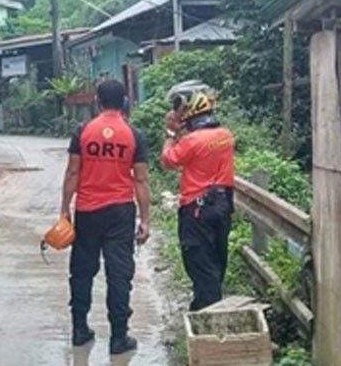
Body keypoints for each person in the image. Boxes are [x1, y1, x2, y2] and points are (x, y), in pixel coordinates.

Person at [59, 79, 151, 355]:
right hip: (120, 212)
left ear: (97, 101)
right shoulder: (134, 135)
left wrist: (65, 209)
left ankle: (79, 330)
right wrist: (145, 219)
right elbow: (142, 180)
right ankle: (119, 338)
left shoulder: (83, 131)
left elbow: (73, 173)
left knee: (82, 270)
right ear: (124, 101)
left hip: (87, 211)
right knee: (119, 273)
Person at [161, 80, 235, 311]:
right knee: (216, 257)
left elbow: (169, 160)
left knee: (198, 260)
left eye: (179, 106)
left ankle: (208, 312)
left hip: (197, 208)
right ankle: (207, 302)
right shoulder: (225, 135)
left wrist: (171, 134)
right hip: (223, 203)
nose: (176, 111)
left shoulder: (192, 141)